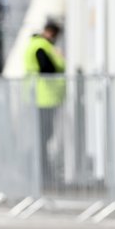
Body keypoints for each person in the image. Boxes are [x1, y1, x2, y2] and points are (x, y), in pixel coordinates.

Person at [25, 19, 66, 187]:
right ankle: (43, 176)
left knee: (43, 138)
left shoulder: (37, 44)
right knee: (43, 139)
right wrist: (58, 57)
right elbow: (46, 69)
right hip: (44, 98)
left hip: (43, 98)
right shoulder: (41, 46)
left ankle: (43, 174)